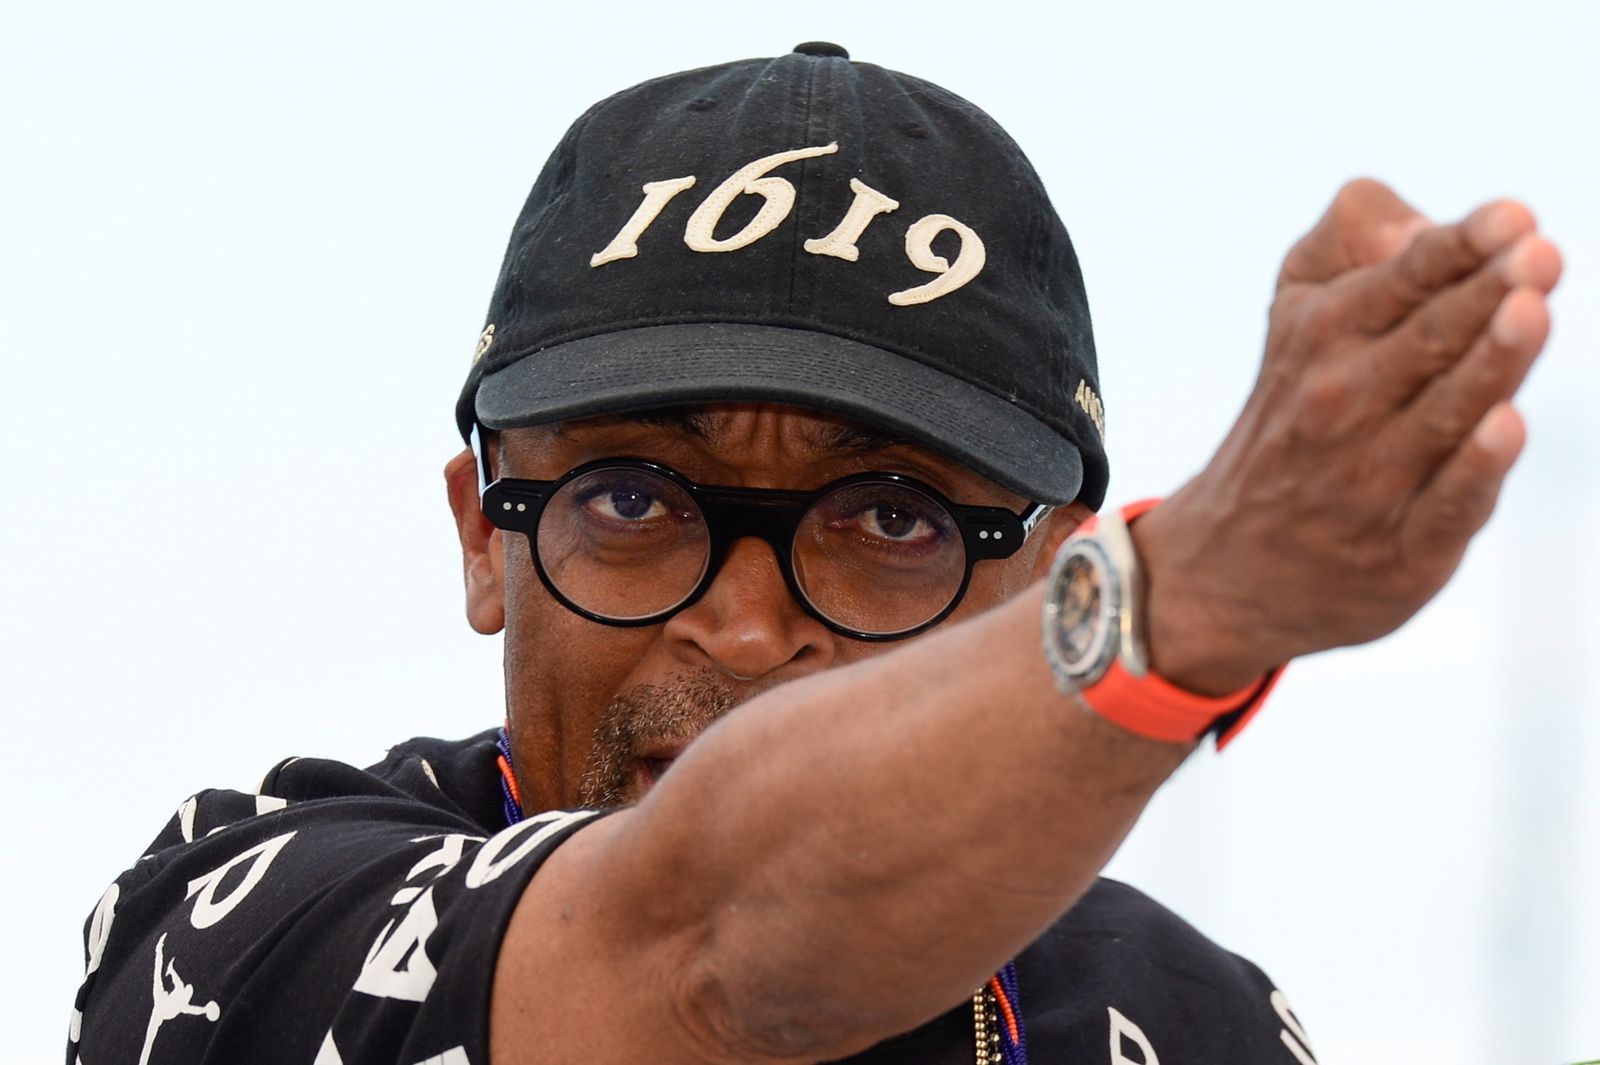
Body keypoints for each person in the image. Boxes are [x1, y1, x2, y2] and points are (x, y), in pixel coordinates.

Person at [67, 43, 1562, 1065]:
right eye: (635, 498)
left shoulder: (1184, 1023)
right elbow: (718, 938)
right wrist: (1191, 602)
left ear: (1045, 579)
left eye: (891, 518)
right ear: (484, 536)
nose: (742, 622)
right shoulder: (242, 915)